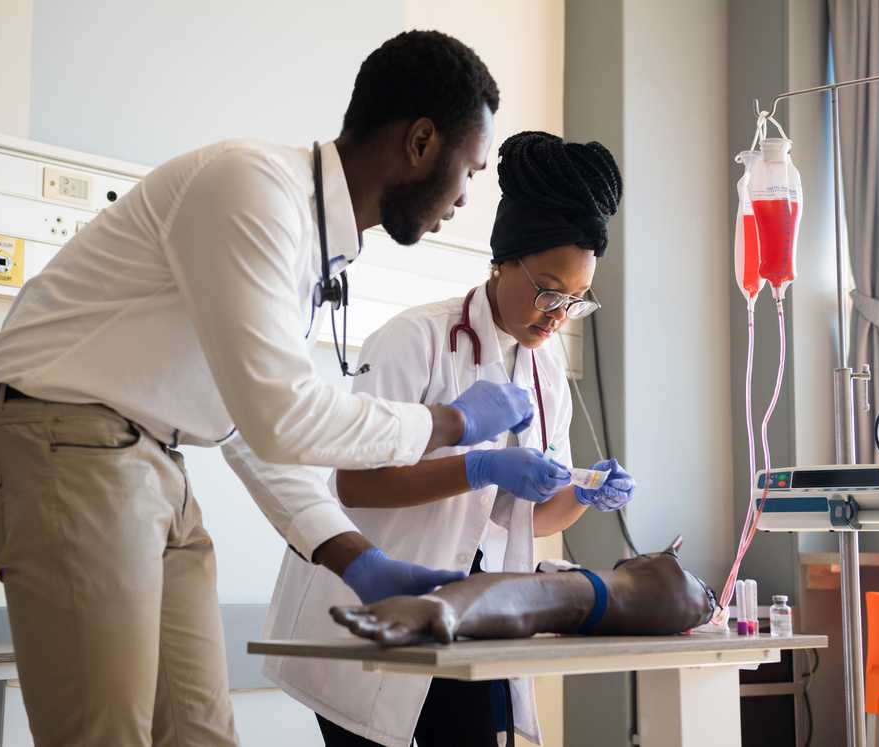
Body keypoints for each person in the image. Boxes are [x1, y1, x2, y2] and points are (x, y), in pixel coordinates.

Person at [0, 31, 531, 747]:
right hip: (63, 444)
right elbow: (280, 414)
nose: (464, 197)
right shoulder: (253, 189)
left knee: (201, 734)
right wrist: (448, 423)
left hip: (152, 460)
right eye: (469, 170)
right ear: (420, 143)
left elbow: (247, 428)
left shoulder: (301, 236)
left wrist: (359, 559)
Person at [262, 131, 636, 747]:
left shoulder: (546, 375)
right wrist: (479, 466)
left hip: (475, 618)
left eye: (574, 301)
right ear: (504, 259)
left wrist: (582, 492)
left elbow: (532, 520)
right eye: (547, 289)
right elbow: (355, 484)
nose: (556, 314)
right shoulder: (417, 340)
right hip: (369, 619)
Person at [330, 537, 718, 646]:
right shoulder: (669, 592)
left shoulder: (666, 580)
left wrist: (443, 605)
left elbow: (527, 600)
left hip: (583, 598)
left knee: (541, 598)